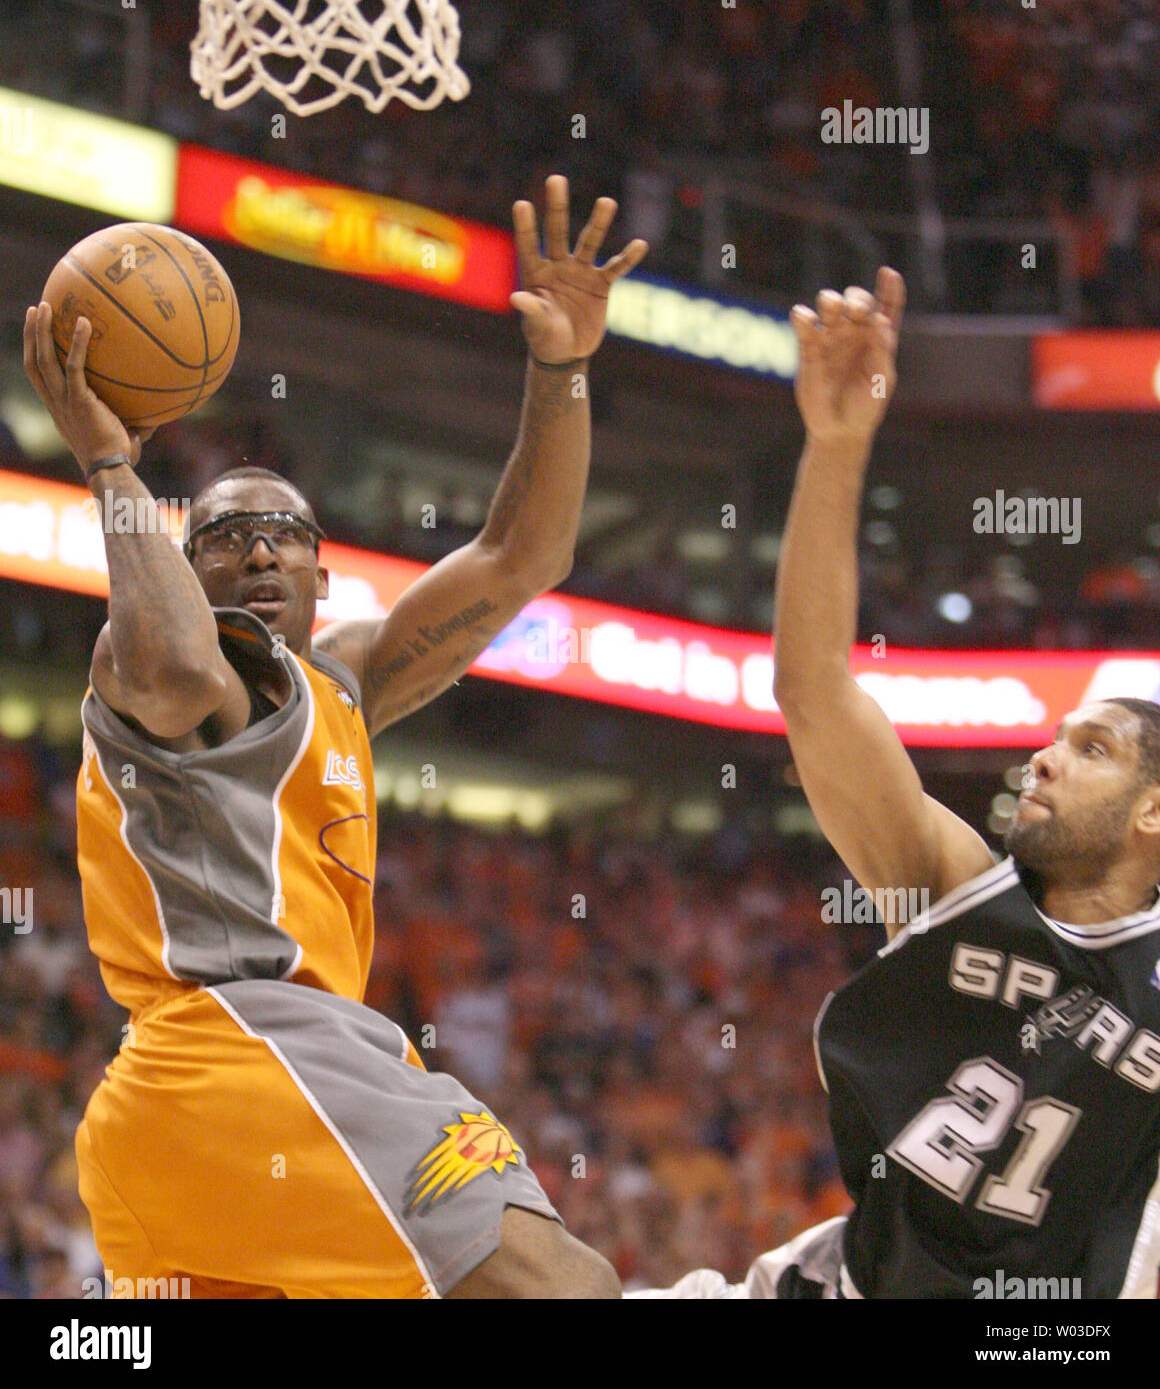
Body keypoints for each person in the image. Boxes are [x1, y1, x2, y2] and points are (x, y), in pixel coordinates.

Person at [22, 176, 647, 1300]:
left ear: (323, 571)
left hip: (203, 1111)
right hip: (244, 1051)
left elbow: (520, 558)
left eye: (281, 536)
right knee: (564, 1287)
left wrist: (560, 367)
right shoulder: (151, 664)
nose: (257, 555)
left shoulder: (345, 679)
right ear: (182, 564)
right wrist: (112, 464)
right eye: (223, 539)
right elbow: (171, 661)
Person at [637, 268, 1160, 1299]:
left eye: (1089, 748)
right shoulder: (955, 883)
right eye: (1053, 737)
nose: (1042, 757)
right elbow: (814, 690)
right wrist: (835, 449)